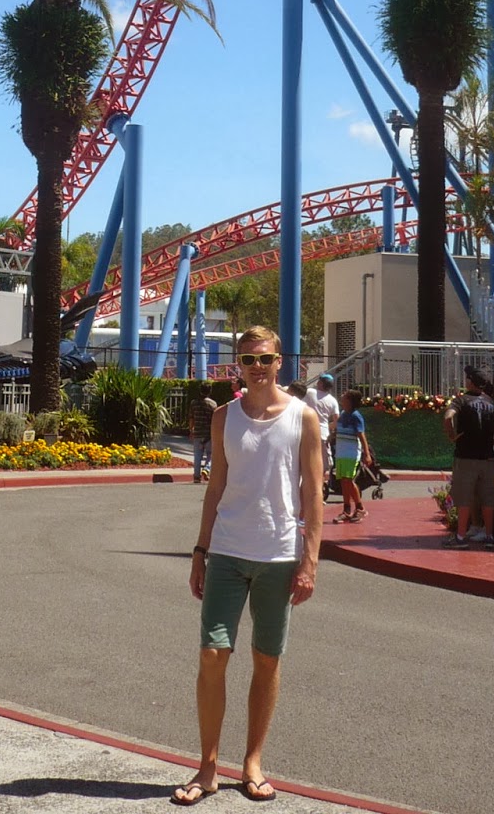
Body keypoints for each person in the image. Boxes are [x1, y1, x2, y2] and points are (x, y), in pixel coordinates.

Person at [173, 327, 322, 807]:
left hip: (278, 556)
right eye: (248, 359)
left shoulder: (304, 418)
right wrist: (200, 550)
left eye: (265, 359)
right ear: (237, 364)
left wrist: (310, 559)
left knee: (267, 658)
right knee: (212, 656)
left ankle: (253, 761)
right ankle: (208, 767)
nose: (257, 367)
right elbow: (215, 487)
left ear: (281, 362)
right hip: (227, 552)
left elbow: (313, 494)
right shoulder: (223, 418)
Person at [443, 366, 494, 548]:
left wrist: (451, 434)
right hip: (487, 457)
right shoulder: (492, 403)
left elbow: (448, 417)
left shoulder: (461, 401)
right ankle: (488, 536)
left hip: (466, 457)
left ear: (470, 382)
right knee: (488, 498)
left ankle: (461, 538)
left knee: (464, 498)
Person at [331, 389, 372, 523]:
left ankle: (360, 508)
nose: (341, 397)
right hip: (341, 453)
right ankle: (347, 509)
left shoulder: (356, 416)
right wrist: (331, 437)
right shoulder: (343, 414)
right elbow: (337, 429)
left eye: (345, 396)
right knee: (343, 481)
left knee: (348, 480)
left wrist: (366, 454)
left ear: (350, 401)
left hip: (351, 453)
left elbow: (361, 435)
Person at [188, 382, 217, 484]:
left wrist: (191, 430)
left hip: (198, 433)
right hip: (209, 434)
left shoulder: (193, 403)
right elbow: (215, 420)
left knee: (197, 456)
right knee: (211, 454)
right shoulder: (213, 404)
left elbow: (191, 418)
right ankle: (207, 469)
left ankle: (196, 476)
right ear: (210, 391)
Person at [314, 374, 339, 481]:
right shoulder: (333, 401)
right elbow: (337, 420)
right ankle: (321, 484)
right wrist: (328, 426)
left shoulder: (310, 393)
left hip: (306, 432)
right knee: (323, 464)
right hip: (323, 434)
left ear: (320, 383)